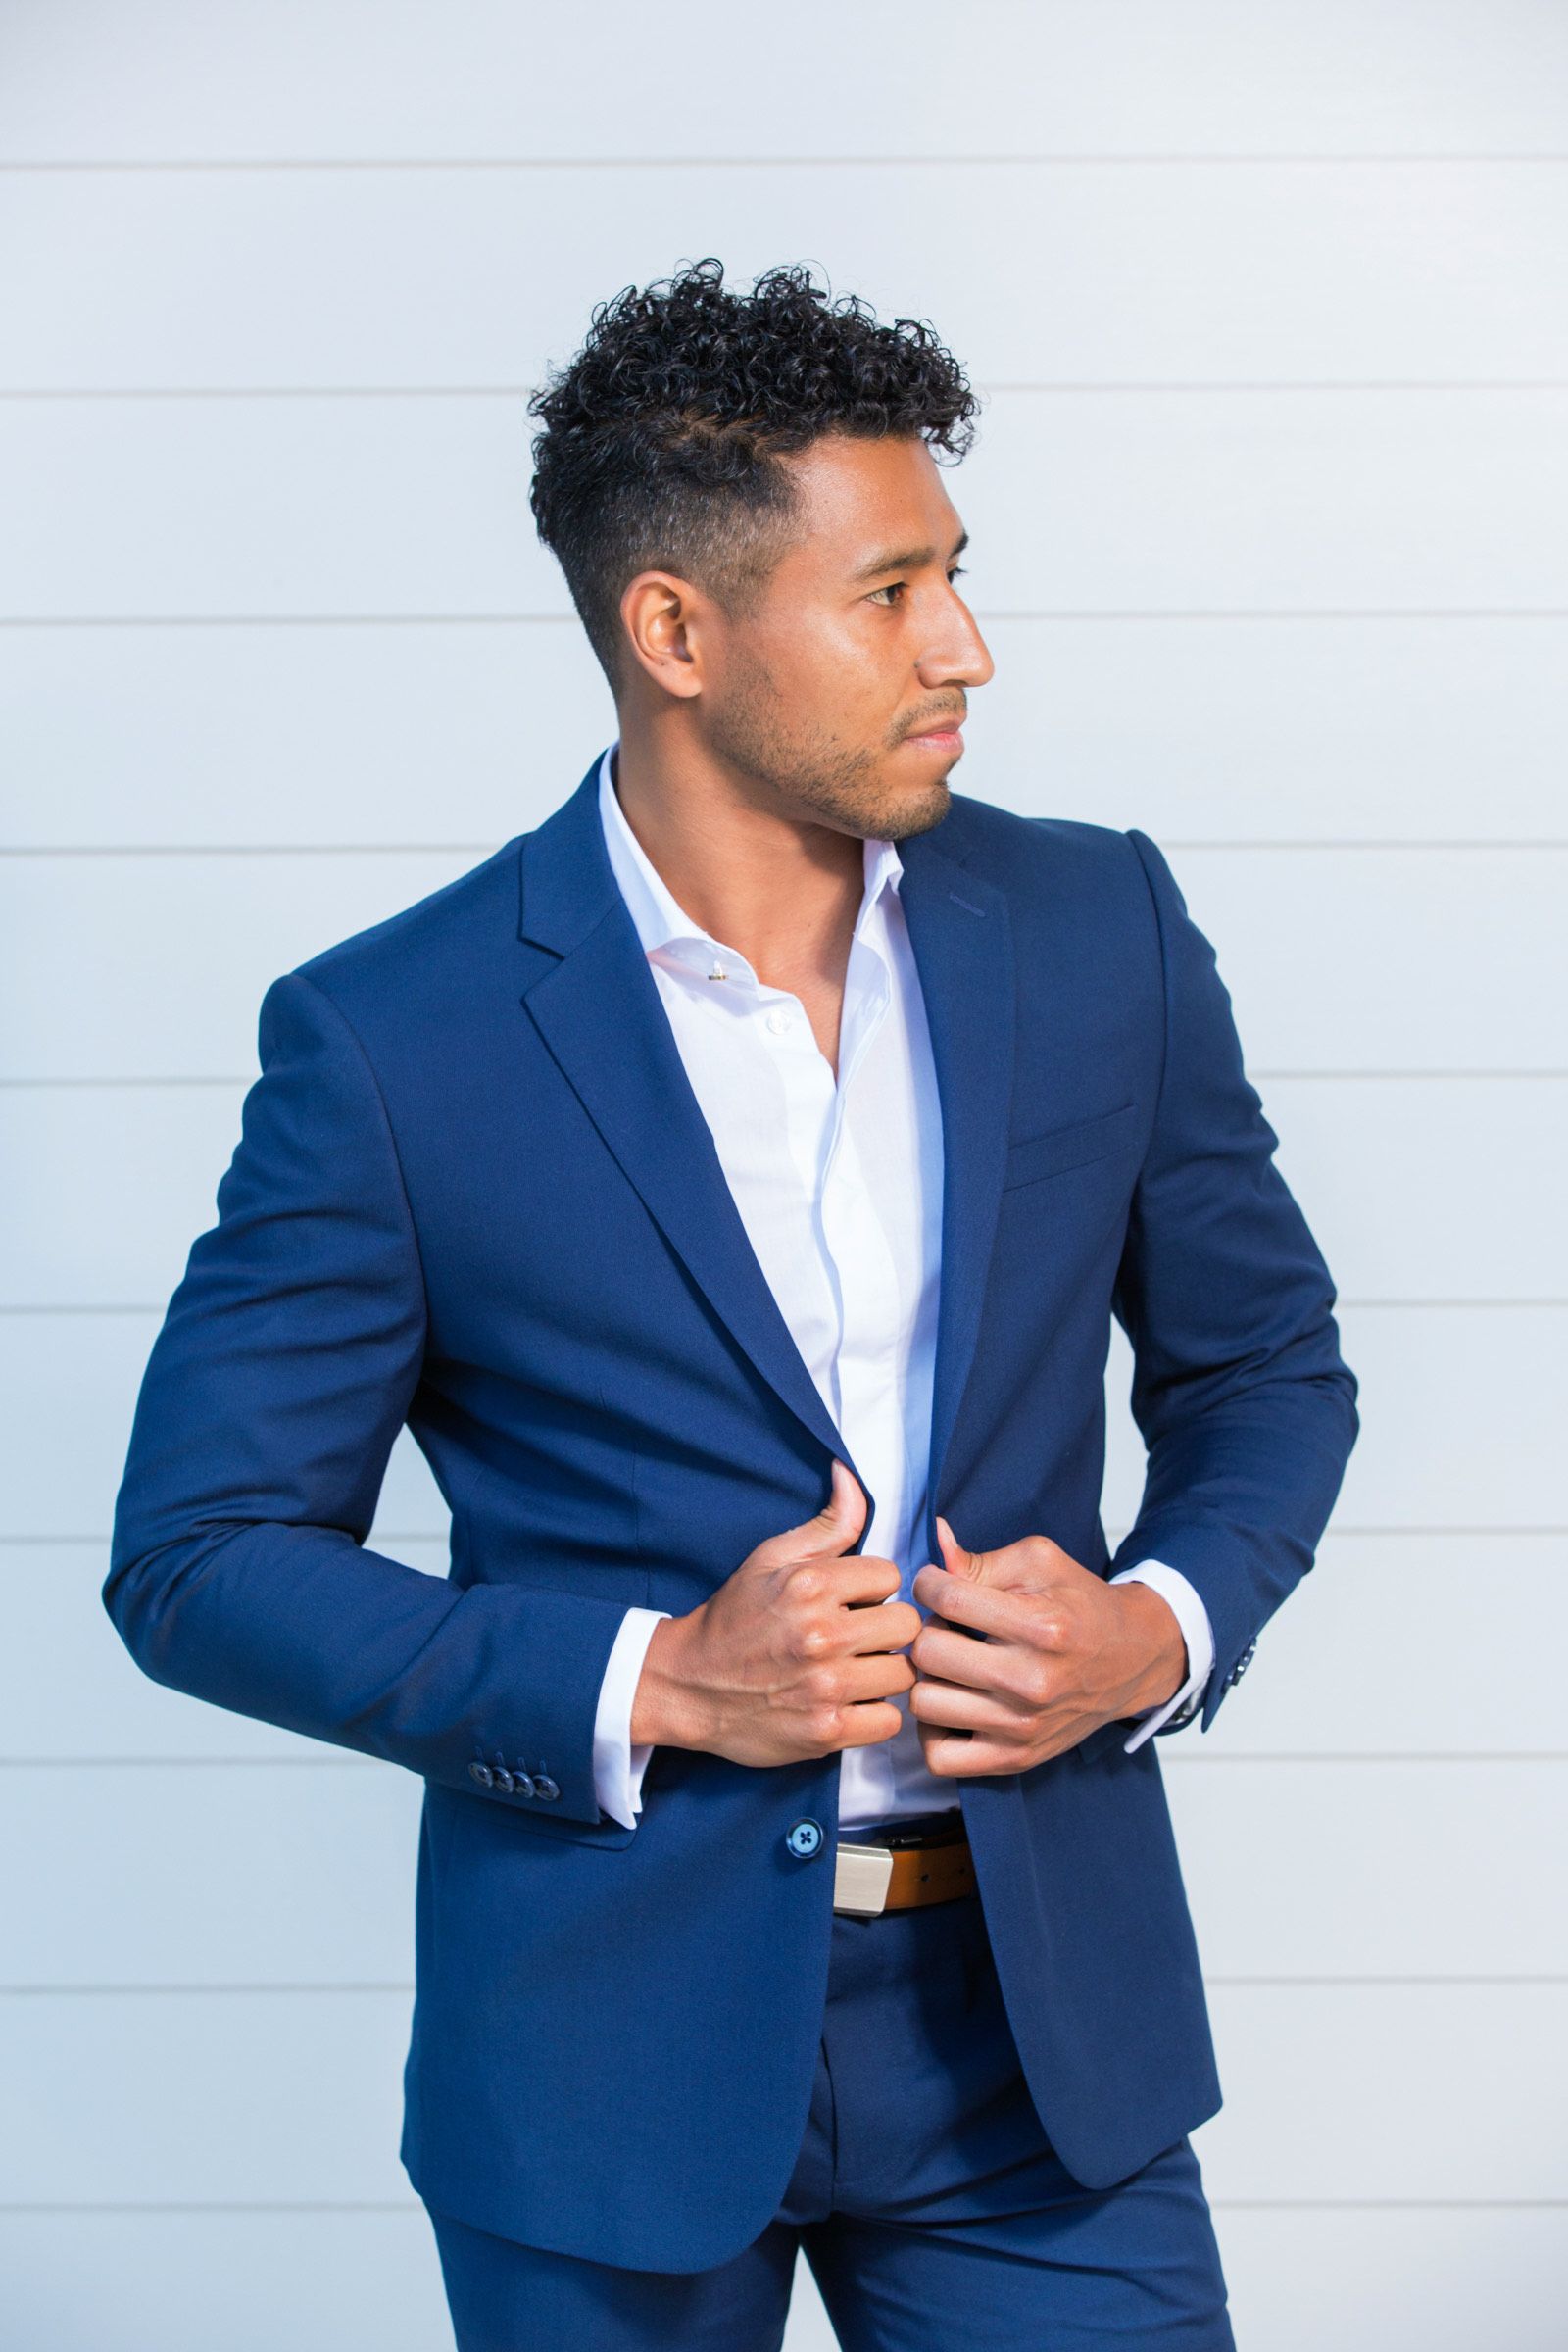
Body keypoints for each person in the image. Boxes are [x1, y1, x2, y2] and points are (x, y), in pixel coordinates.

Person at [106, 258, 1358, 2350]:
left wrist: (1158, 1625)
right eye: (887, 593)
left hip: (1043, 2049)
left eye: (952, 572)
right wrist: (655, 1683)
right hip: (598, 2066)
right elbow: (198, 1557)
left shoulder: (1097, 924)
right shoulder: (394, 1041)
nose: (965, 644)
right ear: (672, 631)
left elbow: (1263, 1368)